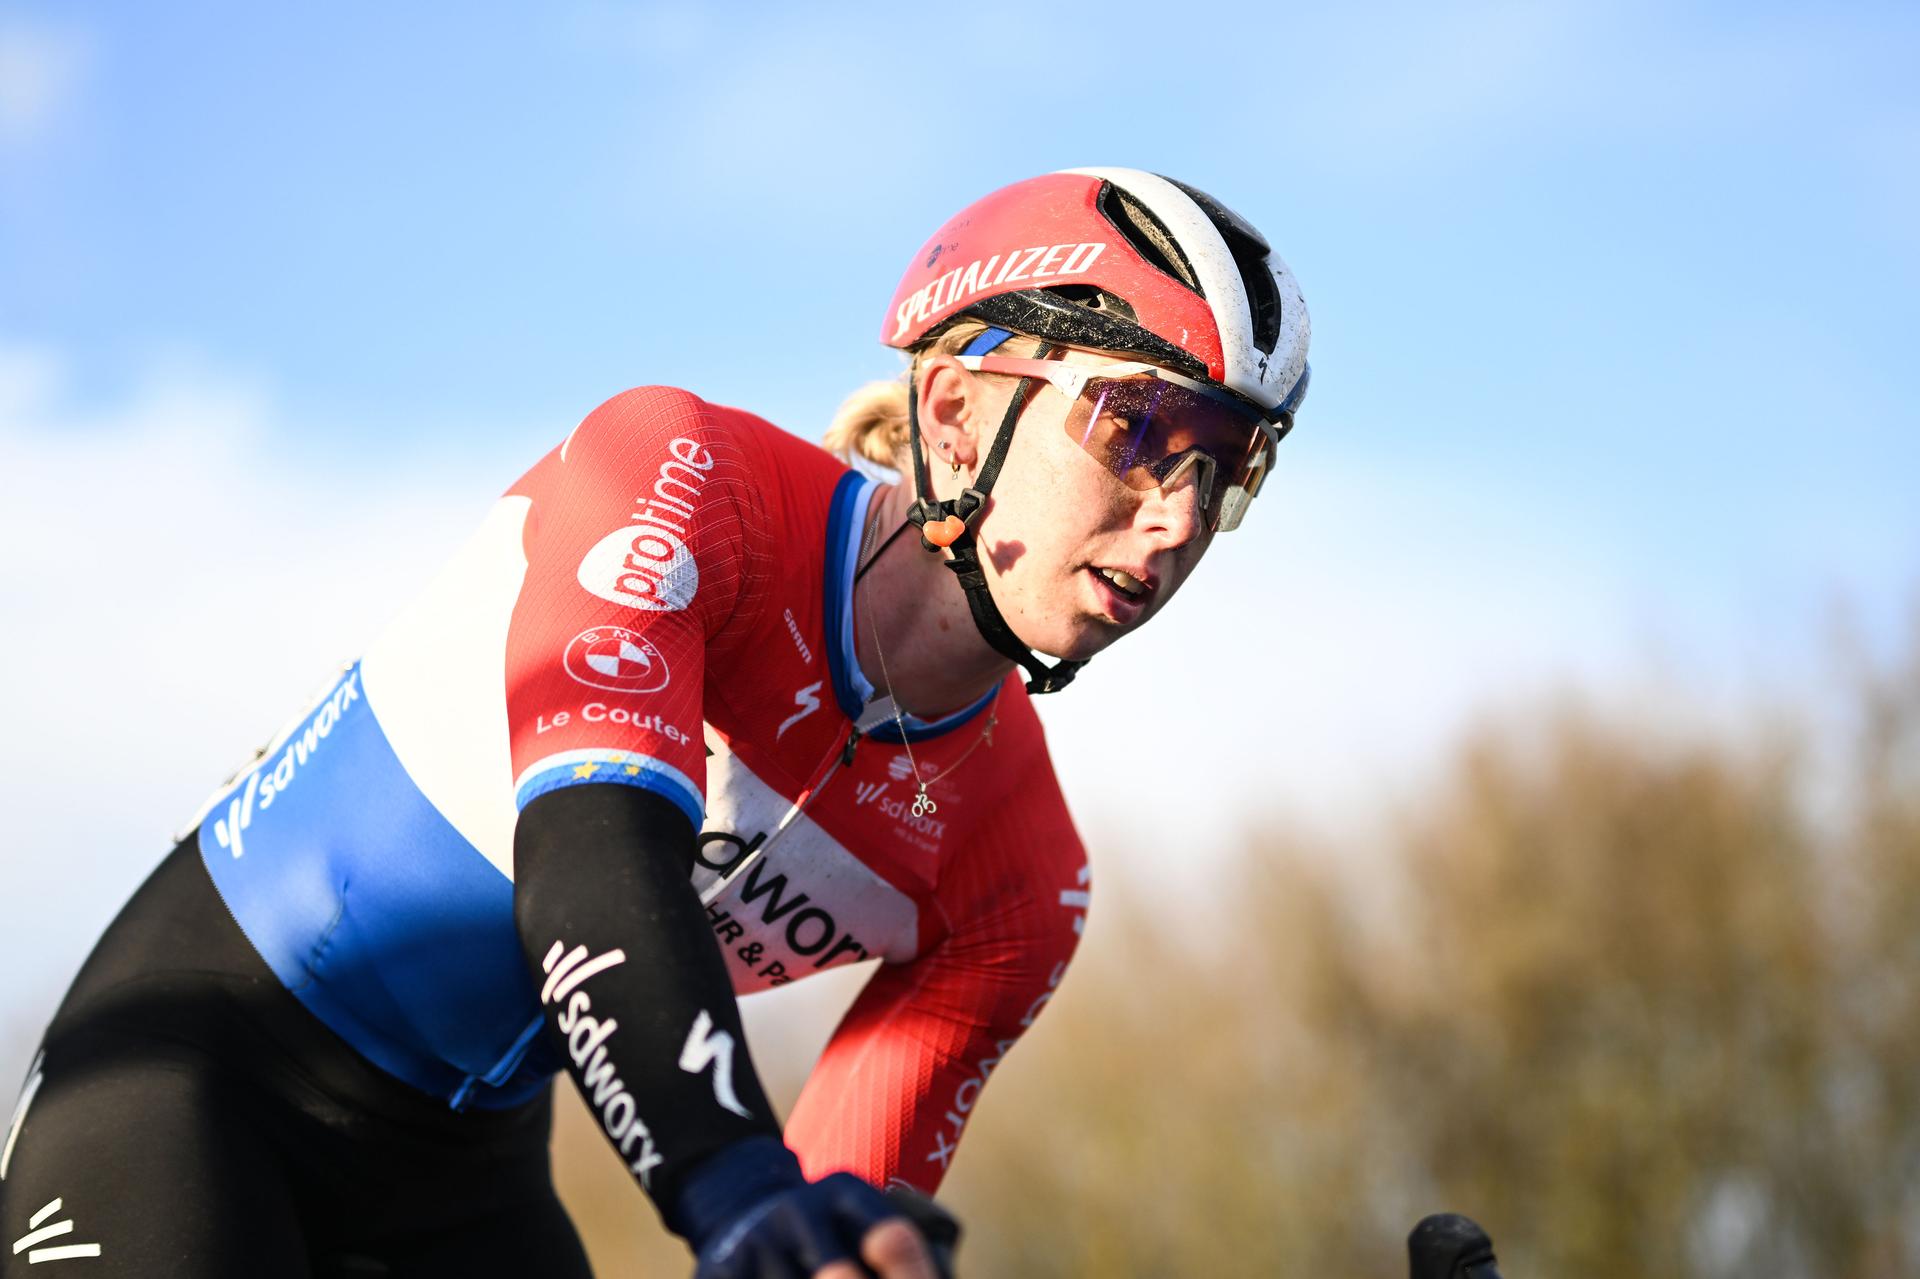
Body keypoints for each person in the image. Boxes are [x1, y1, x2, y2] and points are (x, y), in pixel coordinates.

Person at [0, 167, 1309, 1278]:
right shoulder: (686, 476)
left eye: (1224, 467)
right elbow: (589, 869)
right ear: (959, 417)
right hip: (200, 1073)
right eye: (1138, 426)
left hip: (463, 1185)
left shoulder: (1023, 874)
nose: (1179, 516)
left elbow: (827, 1228)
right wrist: (733, 1183)